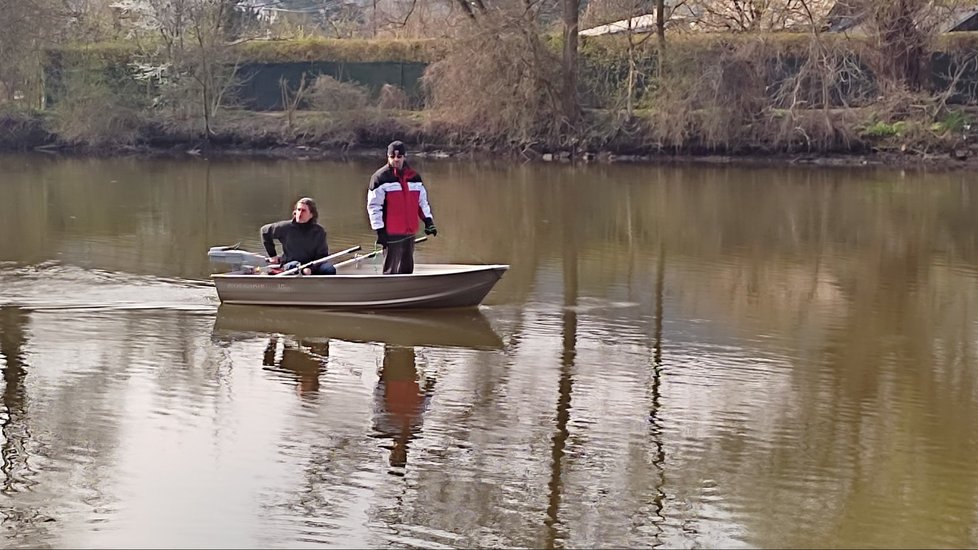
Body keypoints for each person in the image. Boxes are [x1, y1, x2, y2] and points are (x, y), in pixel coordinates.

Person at [367, 140, 438, 275]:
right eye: (392, 157)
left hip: (409, 231)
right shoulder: (379, 178)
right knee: (390, 268)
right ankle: (388, 293)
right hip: (390, 231)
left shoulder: (415, 177)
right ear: (387, 157)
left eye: (399, 157)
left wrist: (429, 222)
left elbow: (422, 202)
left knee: (407, 267)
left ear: (404, 157)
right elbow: (374, 207)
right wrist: (379, 230)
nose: (396, 160)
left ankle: (405, 290)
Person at [260, 197, 337, 275]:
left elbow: (322, 257)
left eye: (303, 211)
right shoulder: (285, 227)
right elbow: (264, 231)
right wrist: (272, 255)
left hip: (312, 265)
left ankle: (324, 286)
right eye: (298, 210)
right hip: (291, 265)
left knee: (329, 269)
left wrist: (310, 268)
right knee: (295, 265)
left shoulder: (319, 231)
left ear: (311, 214)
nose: (299, 213)